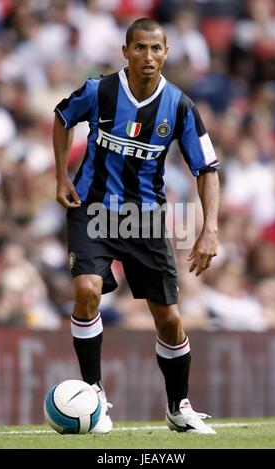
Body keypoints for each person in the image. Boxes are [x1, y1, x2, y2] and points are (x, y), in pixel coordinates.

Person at [53, 18, 219, 434]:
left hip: (145, 219)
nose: (148, 57)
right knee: (86, 289)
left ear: (166, 53)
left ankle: (178, 408)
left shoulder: (180, 106)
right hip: (92, 209)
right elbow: (61, 117)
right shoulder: (99, 90)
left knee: (170, 320)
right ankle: (93, 394)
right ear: (125, 51)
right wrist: (61, 176)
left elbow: (207, 169)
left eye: (156, 49)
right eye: (140, 48)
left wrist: (210, 227)